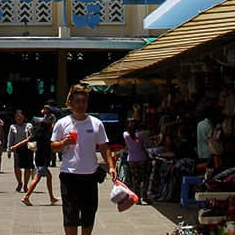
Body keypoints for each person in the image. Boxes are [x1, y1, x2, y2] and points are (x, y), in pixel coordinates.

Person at [51, 85, 116, 235]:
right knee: (70, 215)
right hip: (69, 175)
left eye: (84, 101)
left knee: (89, 214)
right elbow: (53, 147)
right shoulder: (62, 123)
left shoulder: (96, 123)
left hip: (90, 176)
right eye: (78, 101)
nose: (81, 104)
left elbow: (104, 147)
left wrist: (111, 166)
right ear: (71, 103)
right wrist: (63, 143)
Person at [21, 104, 60, 206]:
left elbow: (29, 140)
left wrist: (15, 147)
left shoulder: (40, 133)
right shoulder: (46, 135)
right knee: (37, 177)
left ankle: (52, 197)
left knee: (49, 176)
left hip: (40, 158)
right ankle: (26, 196)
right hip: (43, 159)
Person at [123, 118, 151, 204]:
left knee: (135, 179)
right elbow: (147, 145)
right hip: (142, 158)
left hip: (131, 159)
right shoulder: (142, 134)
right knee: (145, 178)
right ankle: (145, 196)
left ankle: (137, 198)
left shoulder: (125, 134)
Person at [8, 109, 34, 192]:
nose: (18, 118)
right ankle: (19, 182)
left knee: (27, 167)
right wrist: (9, 149)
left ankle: (26, 185)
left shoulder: (28, 125)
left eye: (20, 116)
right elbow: (10, 138)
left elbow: (31, 136)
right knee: (17, 167)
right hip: (17, 149)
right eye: (17, 116)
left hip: (27, 149)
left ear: (24, 117)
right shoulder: (12, 127)